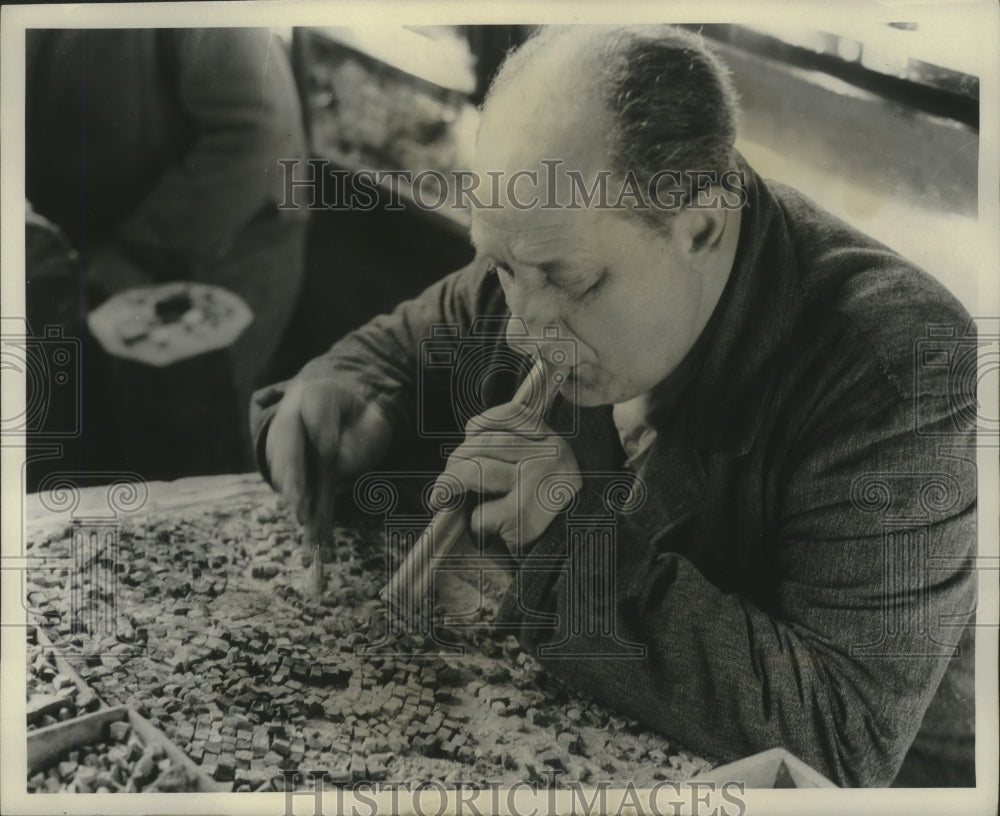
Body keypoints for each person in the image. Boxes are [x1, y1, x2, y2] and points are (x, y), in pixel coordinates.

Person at [250, 26, 977, 787]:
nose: (526, 327)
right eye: (499, 265)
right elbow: (394, 352)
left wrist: (574, 544)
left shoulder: (897, 364)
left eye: (576, 285)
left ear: (700, 226)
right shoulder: (540, 253)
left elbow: (837, 739)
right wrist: (347, 397)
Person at [26, 28, 309, 477]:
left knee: (195, 446)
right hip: (98, 244)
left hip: (225, 240)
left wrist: (133, 252)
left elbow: (258, 136)